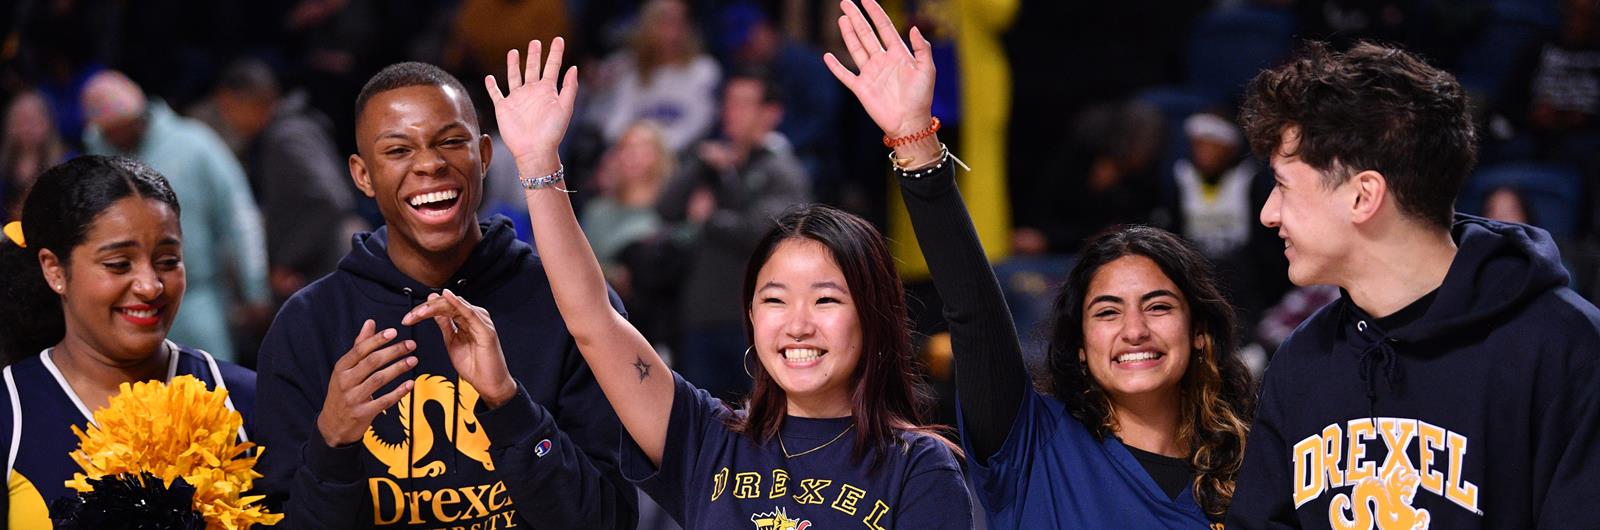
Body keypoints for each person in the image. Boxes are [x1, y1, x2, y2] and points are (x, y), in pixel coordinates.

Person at [445, 36, 972, 528]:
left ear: (872, 314)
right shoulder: (705, 435)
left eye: (826, 299)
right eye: (774, 299)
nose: (797, 324)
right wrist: (539, 164)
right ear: (750, 315)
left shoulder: (919, 466)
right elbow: (592, 323)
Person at [823, 0, 1253, 526]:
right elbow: (973, 310)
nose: (1134, 330)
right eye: (1107, 312)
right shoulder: (1029, 441)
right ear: (1078, 343)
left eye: (1158, 306)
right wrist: (916, 142)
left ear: (1200, 332)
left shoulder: (1254, 468)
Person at [1227, 42, 1600, 528]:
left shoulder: (1568, 350)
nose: (1268, 213)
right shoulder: (1301, 360)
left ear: (1364, 196)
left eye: (1283, 186)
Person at [253, 61, 636, 529]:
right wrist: (331, 443)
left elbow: (608, 521)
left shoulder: (570, 307)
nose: (430, 164)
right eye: (397, 149)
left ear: (486, 154)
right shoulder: (308, 326)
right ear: (363, 175)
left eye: (452, 142)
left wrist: (511, 408)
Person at [0, 155, 258, 528]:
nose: (150, 286)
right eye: (119, 264)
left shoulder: (244, 398)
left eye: (168, 261)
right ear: (55, 270)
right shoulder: (11, 412)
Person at [80, 70, 271, 363]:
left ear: (139, 115)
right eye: (108, 130)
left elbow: (239, 216)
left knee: (212, 385)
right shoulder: (96, 153)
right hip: (126, 303)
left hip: (196, 297)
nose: (116, 135)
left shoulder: (194, 144)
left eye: (122, 126)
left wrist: (255, 288)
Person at [656, 69, 810, 400]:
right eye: (728, 103)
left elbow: (767, 232)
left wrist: (710, 218)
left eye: (743, 103)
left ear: (771, 113)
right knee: (702, 425)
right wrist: (699, 163)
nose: (730, 112)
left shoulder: (781, 169)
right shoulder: (714, 164)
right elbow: (666, 208)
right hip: (701, 315)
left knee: (760, 418)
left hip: (751, 321)